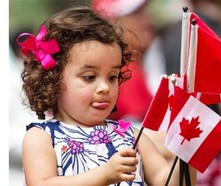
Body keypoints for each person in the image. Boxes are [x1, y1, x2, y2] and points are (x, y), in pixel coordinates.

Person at [19, 6, 186, 185]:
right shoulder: (42, 137)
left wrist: (187, 154)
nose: (105, 87)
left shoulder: (131, 136)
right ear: (53, 80)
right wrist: (104, 175)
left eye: (112, 77)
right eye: (90, 77)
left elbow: (167, 181)